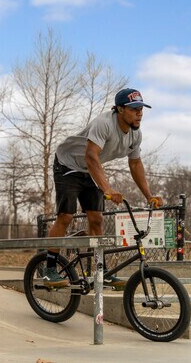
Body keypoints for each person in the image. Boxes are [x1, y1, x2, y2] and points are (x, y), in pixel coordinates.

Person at [44, 88, 163, 288]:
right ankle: (48, 270)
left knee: (97, 219)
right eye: (134, 109)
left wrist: (149, 196)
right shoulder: (104, 123)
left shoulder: (135, 135)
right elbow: (91, 156)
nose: (139, 114)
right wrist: (107, 189)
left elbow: (135, 165)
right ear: (120, 109)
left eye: (141, 109)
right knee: (66, 216)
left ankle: (101, 271)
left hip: (90, 170)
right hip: (68, 164)